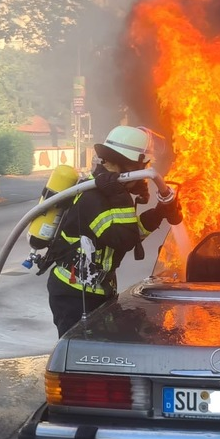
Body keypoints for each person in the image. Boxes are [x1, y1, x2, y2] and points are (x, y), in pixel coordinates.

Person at [47, 126, 182, 337]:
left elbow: (128, 232)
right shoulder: (94, 197)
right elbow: (123, 239)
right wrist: (121, 196)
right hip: (74, 294)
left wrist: (158, 213)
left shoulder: (108, 193)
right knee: (79, 353)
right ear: (127, 166)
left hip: (97, 290)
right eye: (140, 167)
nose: (142, 174)